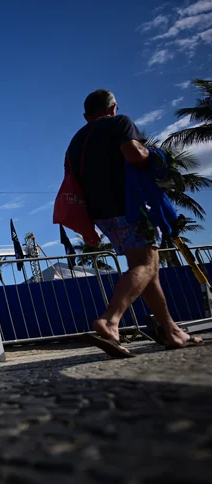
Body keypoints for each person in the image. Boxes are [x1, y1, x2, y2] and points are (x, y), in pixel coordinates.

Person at [66, 89, 203, 358]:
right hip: (130, 207)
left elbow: (73, 181)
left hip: (100, 213)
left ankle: (171, 330)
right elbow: (135, 155)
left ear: (86, 115)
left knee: (147, 270)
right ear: (113, 107)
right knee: (145, 264)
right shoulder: (119, 123)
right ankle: (110, 319)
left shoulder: (76, 141)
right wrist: (156, 157)